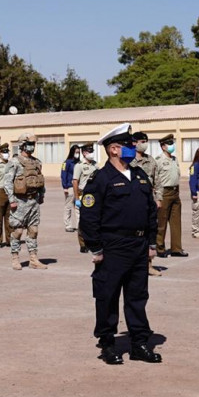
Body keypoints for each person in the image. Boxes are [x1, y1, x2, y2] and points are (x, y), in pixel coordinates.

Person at [79, 123, 161, 365]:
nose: (133, 148)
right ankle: (107, 344)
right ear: (113, 149)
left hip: (138, 244)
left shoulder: (139, 175)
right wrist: (96, 248)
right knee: (108, 296)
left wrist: (152, 244)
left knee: (137, 297)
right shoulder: (100, 178)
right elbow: (89, 216)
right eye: (128, 145)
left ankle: (139, 344)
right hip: (113, 245)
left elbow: (151, 213)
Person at [4, 133, 48, 270]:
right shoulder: (15, 162)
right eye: (29, 144)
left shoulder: (36, 162)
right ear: (22, 145)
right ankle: (15, 258)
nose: (32, 147)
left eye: (33, 144)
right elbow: (7, 183)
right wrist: (11, 200)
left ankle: (33, 259)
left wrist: (41, 195)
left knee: (33, 230)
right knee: (17, 231)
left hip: (33, 201)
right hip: (19, 201)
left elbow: (40, 180)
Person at [131, 131, 162, 276]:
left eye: (146, 141)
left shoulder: (151, 161)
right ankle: (134, 264)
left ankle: (149, 265)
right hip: (132, 203)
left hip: (148, 202)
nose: (144, 144)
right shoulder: (128, 161)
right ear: (134, 143)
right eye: (141, 141)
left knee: (150, 232)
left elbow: (158, 182)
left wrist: (158, 199)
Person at [154, 134, 187, 258]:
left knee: (176, 222)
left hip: (175, 192)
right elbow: (155, 179)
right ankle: (160, 248)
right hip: (164, 192)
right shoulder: (158, 160)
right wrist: (158, 196)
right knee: (161, 223)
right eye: (169, 144)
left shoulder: (174, 159)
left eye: (172, 143)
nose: (172, 146)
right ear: (163, 147)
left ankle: (176, 248)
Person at [72, 143, 98, 253]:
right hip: (83, 194)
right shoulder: (79, 166)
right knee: (82, 220)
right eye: (89, 151)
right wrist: (77, 198)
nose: (91, 153)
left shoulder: (95, 165)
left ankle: (93, 241)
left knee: (94, 220)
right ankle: (83, 244)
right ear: (84, 153)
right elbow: (75, 182)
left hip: (94, 195)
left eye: (92, 151)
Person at [61, 143, 80, 232]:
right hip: (70, 186)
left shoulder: (79, 163)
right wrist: (65, 187)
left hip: (78, 186)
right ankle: (68, 225)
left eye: (78, 152)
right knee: (68, 206)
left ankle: (79, 225)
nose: (77, 154)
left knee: (77, 206)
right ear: (72, 152)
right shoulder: (67, 162)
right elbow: (63, 174)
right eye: (76, 152)